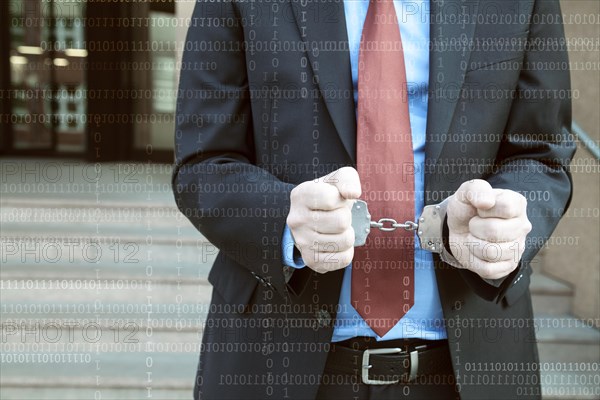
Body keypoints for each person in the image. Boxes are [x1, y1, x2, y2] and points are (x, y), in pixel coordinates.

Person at [172, 0, 576, 398]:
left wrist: (502, 224)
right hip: (273, 360)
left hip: (469, 368)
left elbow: (540, 153)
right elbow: (203, 160)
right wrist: (284, 220)